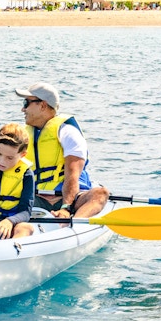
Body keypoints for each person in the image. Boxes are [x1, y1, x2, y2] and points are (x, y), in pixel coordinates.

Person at [15, 82, 109, 219]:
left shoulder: (68, 133)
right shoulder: (23, 135)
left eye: (26, 103)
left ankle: (74, 224)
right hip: (35, 197)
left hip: (70, 198)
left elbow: (72, 174)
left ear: (42, 105)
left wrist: (66, 207)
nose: (23, 109)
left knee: (101, 194)